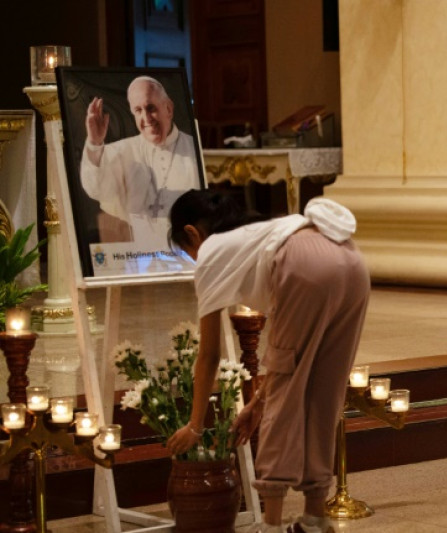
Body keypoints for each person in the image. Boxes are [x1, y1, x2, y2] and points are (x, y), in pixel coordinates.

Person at [165, 190, 369, 533]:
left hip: (305, 264)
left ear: (192, 234)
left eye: (188, 252)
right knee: (325, 389)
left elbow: (210, 354)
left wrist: (195, 425)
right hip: (353, 262)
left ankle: (271, 524)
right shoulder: (260, 231)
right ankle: (315, 518)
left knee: (285, 395)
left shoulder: (212, 252)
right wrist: (254, 405)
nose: (192, 259)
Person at [81, 75, 199, 245]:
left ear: (169, 109)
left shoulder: (193, 149)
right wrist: (94, 143)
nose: (146, 118)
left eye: (151, 108)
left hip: (184, 248)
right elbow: (96, 189)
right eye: (138, 110)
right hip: (133, 251)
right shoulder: (120, 151)